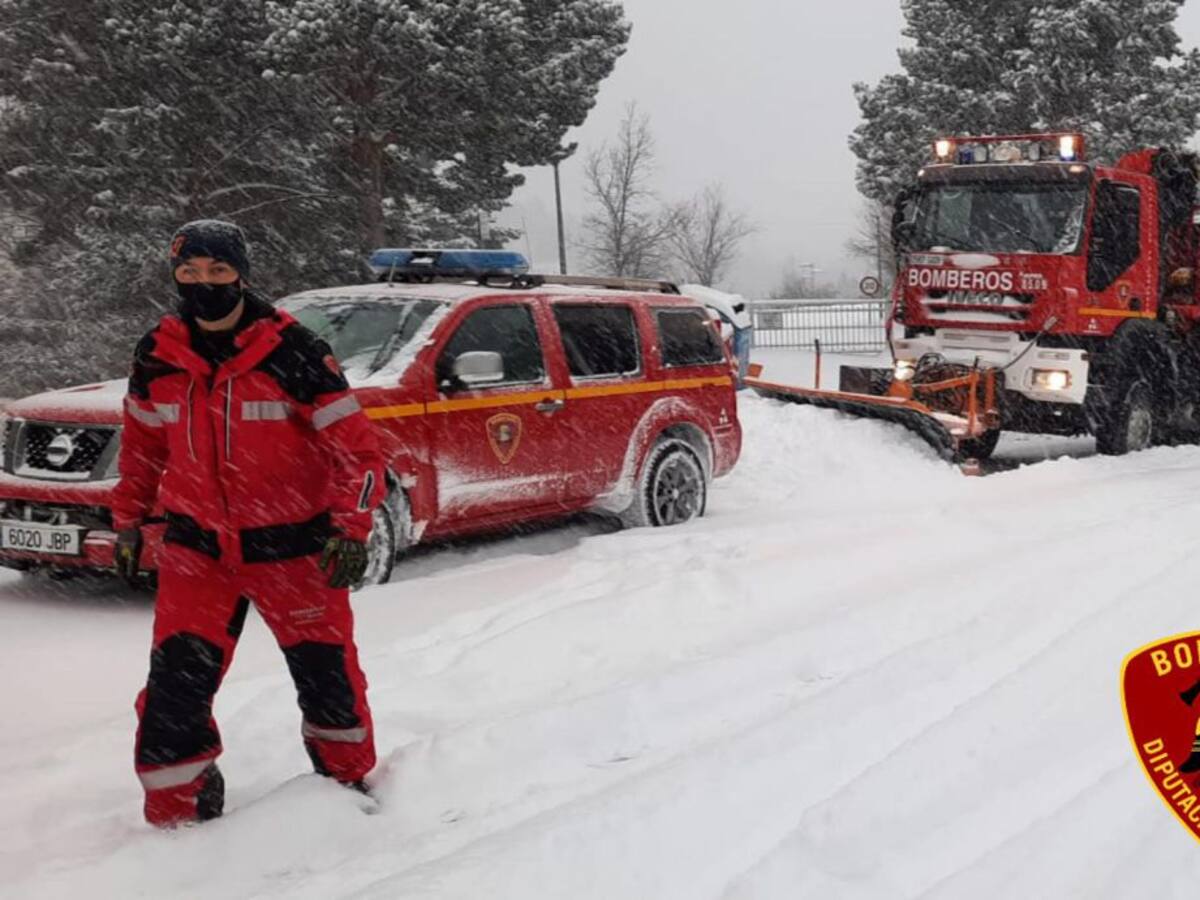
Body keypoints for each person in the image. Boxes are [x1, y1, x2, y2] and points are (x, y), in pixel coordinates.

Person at [111, 219, 386, 827]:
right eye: (190, 271)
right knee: (174, 693)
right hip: (197, 550)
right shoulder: (157, 352)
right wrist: (129, 519)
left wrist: (351, 528)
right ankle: (178, 817)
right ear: (175, 275)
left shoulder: (295, 351)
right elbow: (142, 447)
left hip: (294, 548)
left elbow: (360, 453)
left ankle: (346, 794)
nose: (204, 282)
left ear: (241, 274)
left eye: (218, 270)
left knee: (327, 681)